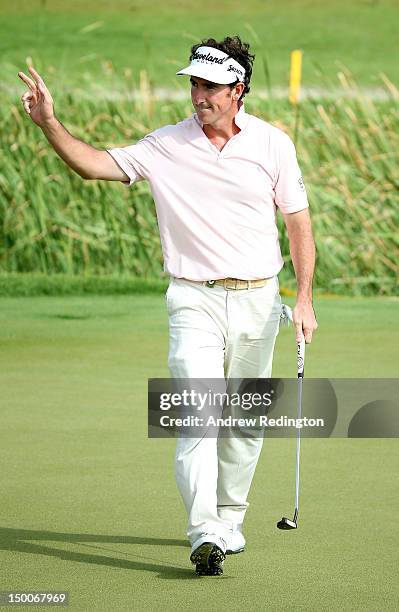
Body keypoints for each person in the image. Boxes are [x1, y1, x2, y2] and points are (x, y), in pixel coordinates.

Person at [18, 35, 317, 576]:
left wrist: (304, 299)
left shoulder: (273, 144)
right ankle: (205, 532)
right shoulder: (166, 144)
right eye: (194, 84)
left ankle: (229, 517)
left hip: (259, 299)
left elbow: (298, 223)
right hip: (192, 300)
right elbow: (92, 165)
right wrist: (48, 124)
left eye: (209, 85)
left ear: (238, 90)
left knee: (246, 422)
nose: (198, 95)